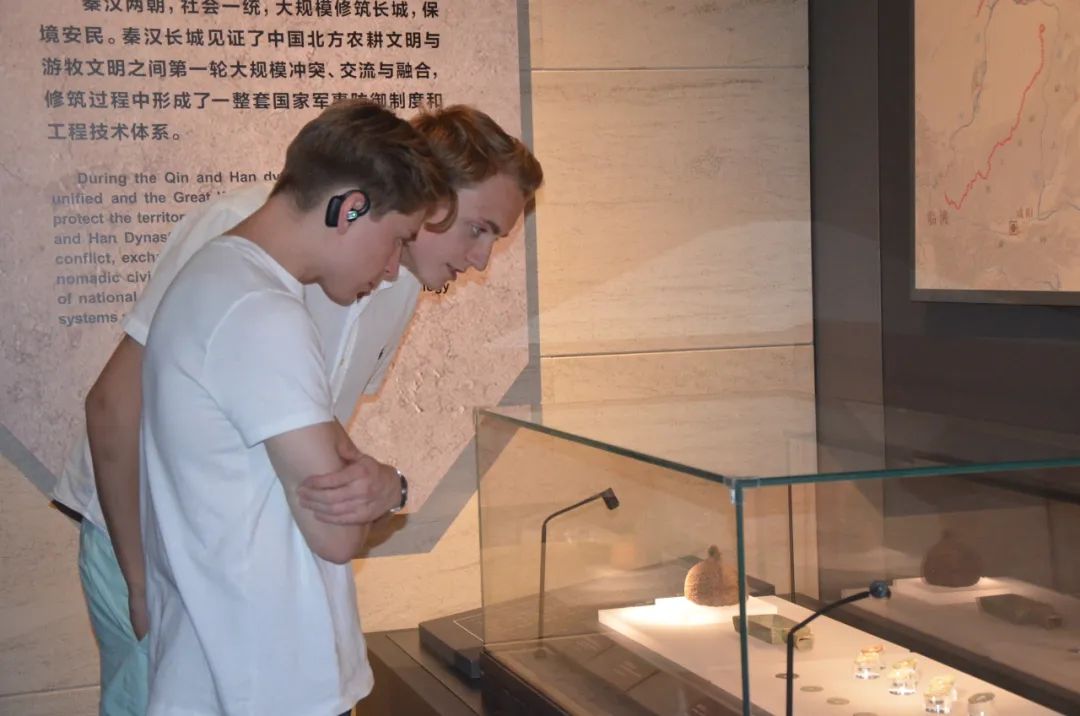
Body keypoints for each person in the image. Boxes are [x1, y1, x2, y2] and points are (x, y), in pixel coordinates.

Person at [51, 103, 543, 716]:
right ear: (431, 197)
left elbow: (321, 431)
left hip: (245, 561)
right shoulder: (244, 241)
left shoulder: (395, 278)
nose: (481, 259)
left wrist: (388, 486)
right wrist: (141, 577)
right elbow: (113, 405)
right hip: (148, 532)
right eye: (479, 229)